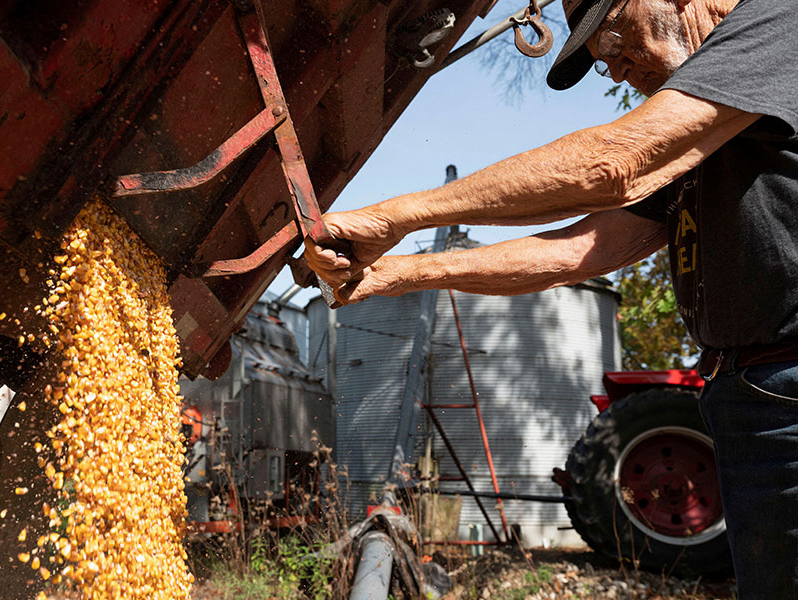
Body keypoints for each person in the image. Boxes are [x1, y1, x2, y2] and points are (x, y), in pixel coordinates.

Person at [304, 0, 798, 596]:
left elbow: (612, 164)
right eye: (599, 61)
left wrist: (400, 214)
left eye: (613, 41)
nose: (613, 70)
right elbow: (582, 249)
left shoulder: (779, 22)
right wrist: (391, 275)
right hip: (748, 399)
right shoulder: (710, 130)